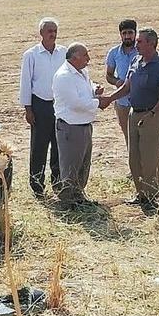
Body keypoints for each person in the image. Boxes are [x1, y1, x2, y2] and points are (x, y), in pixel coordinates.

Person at [106, 27, 159, 208]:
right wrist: (109, 99)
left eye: (140, 41)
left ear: (151, 43)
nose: (136, 44)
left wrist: (152, 114)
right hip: (133, 113)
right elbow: (127, 87)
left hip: (152, 114)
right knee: (134, 156)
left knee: (150, 157)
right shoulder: (136, 60)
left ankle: (152, 196)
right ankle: (140, 193)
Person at [52, 43, 111, 206]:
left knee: (83, 163)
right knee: (70, 165)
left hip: (84, 125)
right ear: (74, 57)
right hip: (71, 127)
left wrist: (94, 90)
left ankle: (79, 197)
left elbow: (84, 90)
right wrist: (98, 102)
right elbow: (75, 103)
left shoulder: (82, 72)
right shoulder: (63, 76)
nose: (88, 59)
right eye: (85, 55)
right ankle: (67, 201)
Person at [19, 17, 67, 198]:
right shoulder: (31, 55)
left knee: (58, 144)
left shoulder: (64, 52)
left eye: (55, 30)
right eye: (49, 31)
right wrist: (28, 109)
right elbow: (25, 83)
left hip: (60, 105)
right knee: (39, 146)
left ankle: (58, 182)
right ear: (41, 33)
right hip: (40, 105)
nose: (52, 34)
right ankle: (37, 184)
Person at [105, 19, 139, 147]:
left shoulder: (141, 50)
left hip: (140, 101)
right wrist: (117, 81)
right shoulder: (114, 53)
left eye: (130, 33)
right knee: (129, 138)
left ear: (135, 33)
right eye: (124, 33)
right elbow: (108, 75)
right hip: (122, 102)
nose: (127, 36)